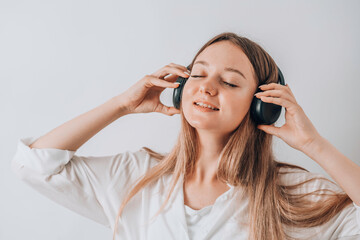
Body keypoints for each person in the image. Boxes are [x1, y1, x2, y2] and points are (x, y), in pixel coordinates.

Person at [11, 32, 360, 240]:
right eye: (198, 74)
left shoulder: (291, 193)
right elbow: (34, 165)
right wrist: (121, 105)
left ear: (261, 107)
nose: (207, 87)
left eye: (229, 81)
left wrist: (316, 146)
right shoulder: (137, 176)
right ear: (180, 90)